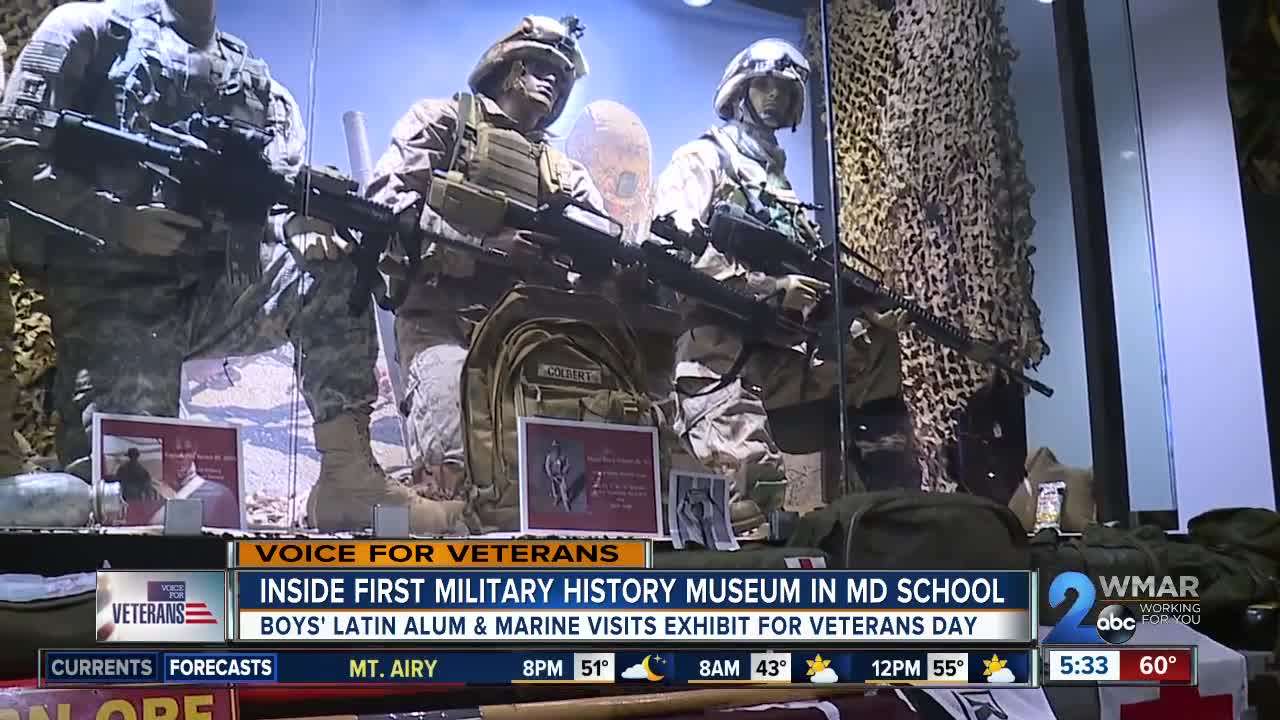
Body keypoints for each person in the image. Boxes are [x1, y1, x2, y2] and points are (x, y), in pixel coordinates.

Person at [0, 0, 465, 534]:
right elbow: (14, 153)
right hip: (114, 299)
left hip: (216, 286)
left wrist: (295, 219)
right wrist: (116, 221)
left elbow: (277, 183)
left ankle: (348, 479)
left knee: (331, 272)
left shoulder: (255, 79)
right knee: (131, 504)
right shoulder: (89, 28)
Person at [652, 38, 915, 536]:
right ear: (740, 90)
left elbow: (812, 285)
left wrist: (858, 316)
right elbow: (676, 253)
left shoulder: (781, 189)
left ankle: (884, 495)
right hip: (718, 363)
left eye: (786, 89)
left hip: (780, 355)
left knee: (875, 345)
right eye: (764, 84)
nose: (775, 96)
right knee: (751, 500)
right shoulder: (702, 159)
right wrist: (769, 288)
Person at [367, 15, 612, 500]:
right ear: (505, 67)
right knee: (454, 465)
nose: (553, 82)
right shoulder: (445, 122)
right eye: (540, 66)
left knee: (563, 480)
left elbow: (604, 242)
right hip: (441, 322)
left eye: (562, 78)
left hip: (528, 339)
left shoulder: (565, 173)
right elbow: (384, 201)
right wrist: (487, 245)